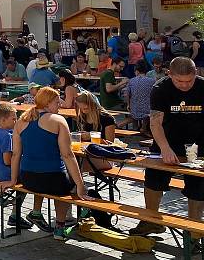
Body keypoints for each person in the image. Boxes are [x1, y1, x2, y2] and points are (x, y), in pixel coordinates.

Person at [1, 87, 87, 241]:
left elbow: (16, 155)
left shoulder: (21, 121)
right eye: (56, 101)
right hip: (54, 180)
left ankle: (37, 213)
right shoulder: (58, 120)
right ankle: (60, 227)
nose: (60, 104)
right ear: (47, 103)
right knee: (68, 187)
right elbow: (67, 154)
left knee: (61, 181)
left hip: (28, 179)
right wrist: (80, 185)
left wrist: (13, 180)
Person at [131, 58, 204, 239]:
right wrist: (165, 148)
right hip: (166, 142)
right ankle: (151, 221)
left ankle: (194, 232)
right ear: (169, 74)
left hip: (196, 146)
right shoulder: (160, 89)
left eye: (189, 80)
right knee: (153, 180)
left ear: (196, 74)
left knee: (198, 188)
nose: (185, 85)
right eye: (180, 81)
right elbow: (156, 123)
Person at [0, 103, 46, 230]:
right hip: (7, 173)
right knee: (42, 175)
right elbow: (8, 160)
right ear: (3, 120)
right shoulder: (6, 136)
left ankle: (15, 214)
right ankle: (35, 212)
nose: (16, 121)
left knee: (30, 178)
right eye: (13, 119)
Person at [75, 91, 116, 171]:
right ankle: (77, 183)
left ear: (93, 105)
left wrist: (91, 136)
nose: (83, 111)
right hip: (88, 153)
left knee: (75, 165)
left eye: (85, 108)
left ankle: (77, 183)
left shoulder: (106, 118)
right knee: (71, 162)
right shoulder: (82, 117)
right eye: (81, 108)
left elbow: (111, 144)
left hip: (105, 156)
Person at [122, 59, 154, 135]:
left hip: (134, 108)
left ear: (137, 70)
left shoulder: (131, 81)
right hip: (147, 109)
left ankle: (120, 125)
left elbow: (127, 94)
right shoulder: (152, 81)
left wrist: (128, 104)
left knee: (134, 113)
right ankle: (143, 127)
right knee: (149, 112)